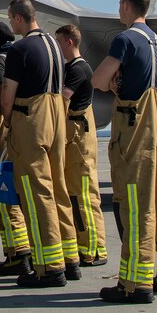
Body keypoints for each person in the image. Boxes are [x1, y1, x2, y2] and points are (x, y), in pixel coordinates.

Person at [91, 0, 157, 304]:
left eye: (120, 3)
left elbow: (97, 80)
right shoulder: (156, 40)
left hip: (134, 126)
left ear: (127, 6)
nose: (118, 9)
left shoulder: (125, 39)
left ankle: (135, 283)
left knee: (134, 201)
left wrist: (113, 82)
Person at [2, 0, 79, 287]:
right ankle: (70, 259)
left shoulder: (19, 48)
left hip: (31, 120)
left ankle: (48, 267)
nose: (11, 24)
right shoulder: (55, 47)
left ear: (19, 18)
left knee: (36, 194)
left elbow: (8, 94)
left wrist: (8, 121)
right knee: (57, 186)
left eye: (11, 19)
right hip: (57, 119)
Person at [0, 22, 32, 276]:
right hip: (21, 128)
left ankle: (18, 253)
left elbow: (3, 97)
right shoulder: (19, 55)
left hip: (0, 129)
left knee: (2, 190)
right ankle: (21, 250)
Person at [55, 24, 107, 267]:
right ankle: (81, 245)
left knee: (84, 196)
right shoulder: (69, 68)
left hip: (79, 139)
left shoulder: (79, 69)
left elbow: (62, 99)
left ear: (68, 42)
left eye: (58, 42)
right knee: (74, 195)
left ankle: (95, 250)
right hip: (72, 139)